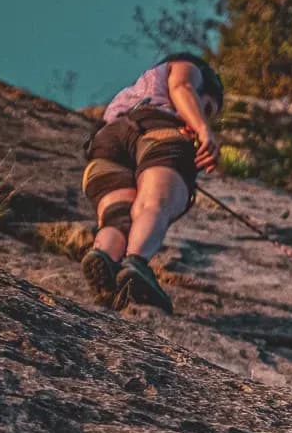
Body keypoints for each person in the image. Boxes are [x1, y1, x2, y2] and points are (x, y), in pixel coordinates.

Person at [81, 53, 224, 312]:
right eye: (208, 108)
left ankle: (106, 258)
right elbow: (182, 87)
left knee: (118, 218)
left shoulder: (132, 90)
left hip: (104, 143)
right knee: (154, 203)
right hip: (157, 131)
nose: (205, 115)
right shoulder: (187, 67)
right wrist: (203, 129)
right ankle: (136, 264)